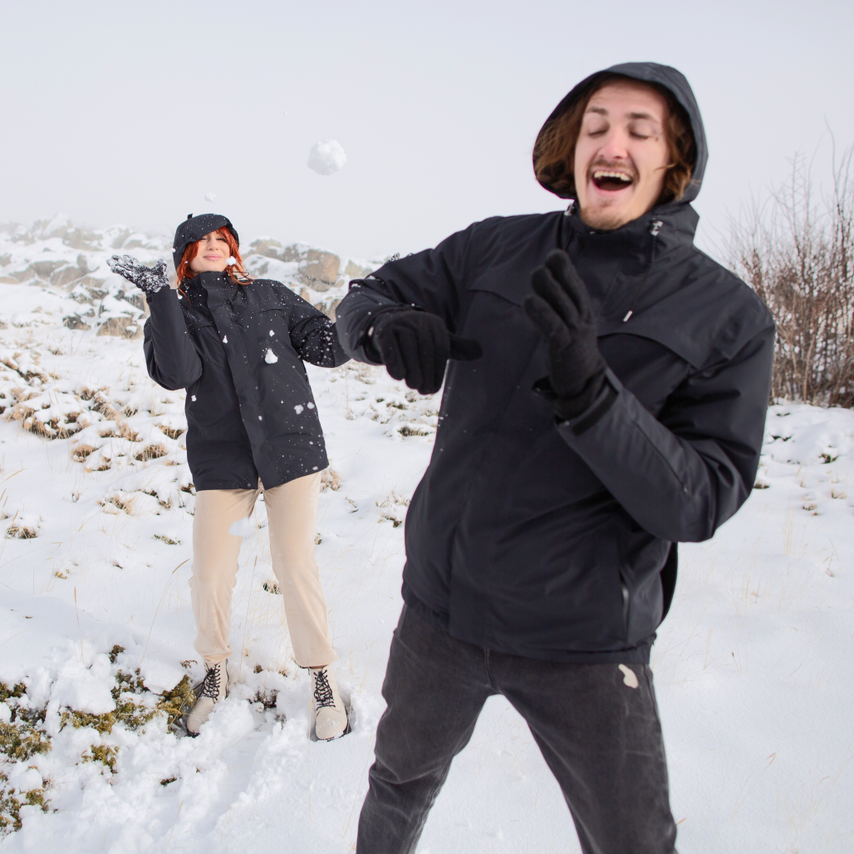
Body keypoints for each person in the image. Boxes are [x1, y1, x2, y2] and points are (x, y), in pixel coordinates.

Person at [335, 63, 775, 853]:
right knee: (397, 786)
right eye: (597, 124)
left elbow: (702, 499)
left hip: (583, 641)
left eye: (640, 130)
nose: (612, 142)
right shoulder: (497, 247)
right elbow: (364, 295)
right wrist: (382, 327)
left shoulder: (726, 316)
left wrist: (596, 400)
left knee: (634, 841)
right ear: (573, 149)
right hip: (444, 610)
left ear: (674, 163)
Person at [108, 213, 350, 740]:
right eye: (202, 241)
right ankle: (215, 671)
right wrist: (160, 299)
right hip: (223, 460)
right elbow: (178, 374)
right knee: (212, 572)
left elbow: (330, 348)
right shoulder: (176, 311)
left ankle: (322, 678)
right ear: (184, 257)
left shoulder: (269, 294)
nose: (214, 246)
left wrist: (372, 298)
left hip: (290, 451)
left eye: (223, 239)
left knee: (294, 565)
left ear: (234, 248)